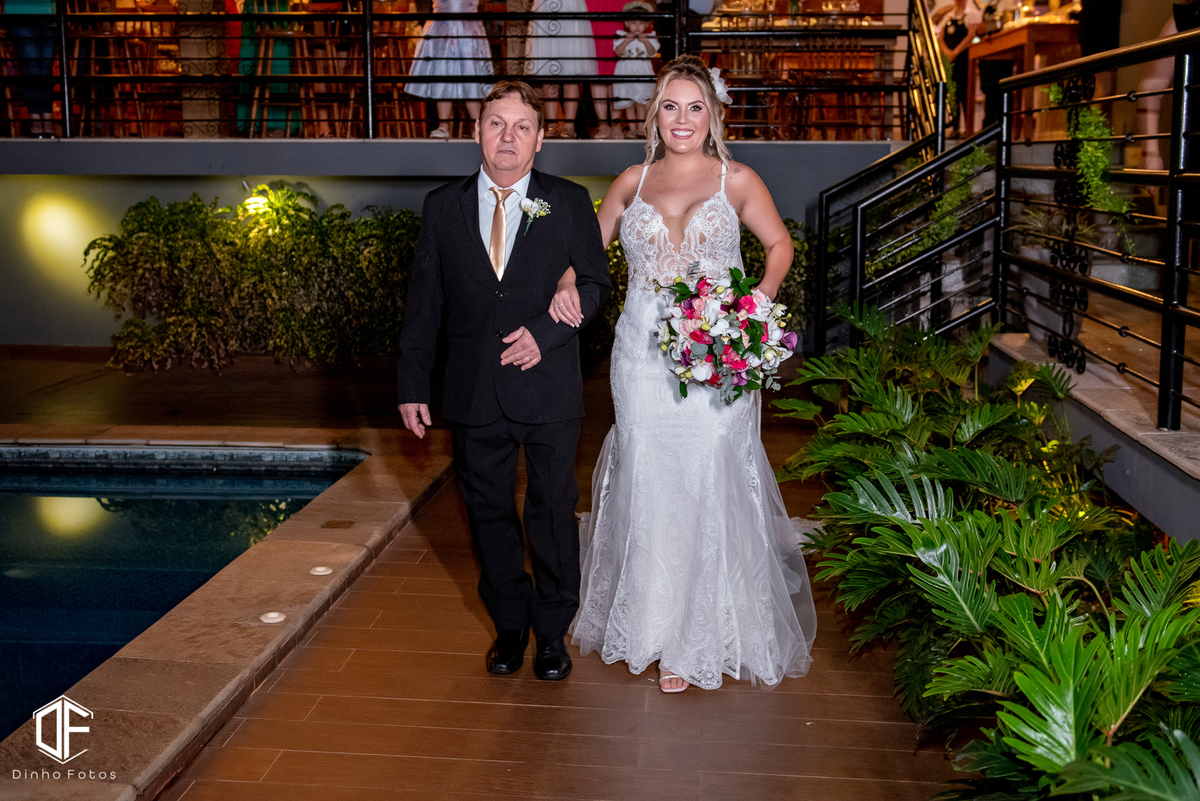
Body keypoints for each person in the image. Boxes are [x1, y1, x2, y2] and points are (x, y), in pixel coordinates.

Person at [548, 55, 817, 693]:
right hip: (640, 356)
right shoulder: (629, 182)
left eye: (695, 107)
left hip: (716, 352)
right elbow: (585, 255)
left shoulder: (738, 180)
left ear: (713, 114)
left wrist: (753, 307)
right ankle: (651, 626)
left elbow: (778, 245)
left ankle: (700, 636)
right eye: (671, 106)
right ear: (654, 114)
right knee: (647, 472)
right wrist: (564, 284)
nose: (683, 119)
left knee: (709, 471)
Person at [397, 81, 612, 681]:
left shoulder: (569, 200)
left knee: (552, 511)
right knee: (488, 513)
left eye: (522, 127)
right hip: (472, 390)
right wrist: (412, 384)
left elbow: (595, 284)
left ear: (540, 140)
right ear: (476, 132)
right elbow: (425, 302)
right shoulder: (442, 206)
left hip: (549, 386)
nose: (508, 136)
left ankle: (552, 632)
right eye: (496, 124)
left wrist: (546, 332)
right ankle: (510, 627)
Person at [407, 0, 495, 139]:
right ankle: (444, 125)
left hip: (467, 27)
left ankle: (477, 124)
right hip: (442, 26)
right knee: (443, 72)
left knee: (470, 74)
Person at [525, 0, 597, 138]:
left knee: (571, 71)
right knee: (549, 72)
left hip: (570, 7)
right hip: (546, 8)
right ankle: (551, 125)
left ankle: (569, 126)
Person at [5, 0, 57, 137]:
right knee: (32, 66)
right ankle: (37, 119)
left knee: (45, 69)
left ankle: (45, 119)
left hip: (48, 15)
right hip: (21, 13)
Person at [611, 0, 658, 138]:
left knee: (641, 101)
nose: (637, 26)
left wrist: (646, 42)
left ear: (646, 24)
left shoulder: (650, 37)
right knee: (629, 101)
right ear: (627, 23)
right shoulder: (621, 36)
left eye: (641, 23)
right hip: (626, 71)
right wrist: (626, 41)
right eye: (633, 23)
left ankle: (641, 128)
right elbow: (618, 52)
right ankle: (632, 129)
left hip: (643, 70)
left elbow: (652, 53)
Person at [935, 0, 981, 136]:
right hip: (949, 60)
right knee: (952, 93)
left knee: (964, 93)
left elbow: (971, 35)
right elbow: (940, 38)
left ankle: (968, 128)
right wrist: (947, 52)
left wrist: (956, 52)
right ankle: (955, 127)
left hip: (963, 59)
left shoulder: (972, 14)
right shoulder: (949, 15)